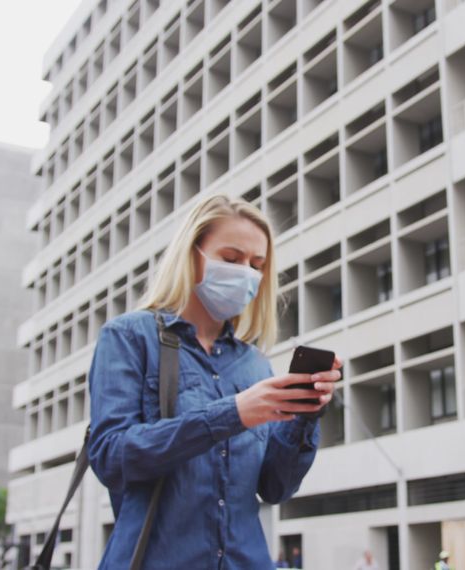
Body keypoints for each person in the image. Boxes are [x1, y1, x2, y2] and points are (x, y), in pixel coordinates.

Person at [87, 194, 342, 568]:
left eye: (257, 265)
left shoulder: (253, 364)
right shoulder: (130, 337)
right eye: (231, 259)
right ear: (192, 254)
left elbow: (275, 487)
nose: (246, 274)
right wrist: (232, 414)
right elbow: (110, 456)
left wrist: (306, 415)